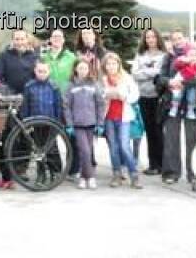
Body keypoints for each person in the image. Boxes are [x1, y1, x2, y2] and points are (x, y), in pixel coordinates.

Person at [157, 40, 196, 186]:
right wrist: (170, 82)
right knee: (171, 139)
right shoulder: (168, 58)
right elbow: (160, 78)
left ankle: (195, 173)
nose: (177, 41)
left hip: (191, 104)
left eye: (180, 38)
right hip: (173, 103)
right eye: (175, 38)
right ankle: (171, 172)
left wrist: (183, 83)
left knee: (194, 139)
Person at [101, 52, 142, 189]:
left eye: (114, 63)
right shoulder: (103, 79)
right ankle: (116, 173)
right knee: (113, 147)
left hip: (124, 117)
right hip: (109, 117)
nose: (111, 66)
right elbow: (99, 95)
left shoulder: (127, 78)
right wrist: (107, 94)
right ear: (105, 66)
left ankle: (133, 174)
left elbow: (135, 95)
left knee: (124, 146)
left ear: (119, 64)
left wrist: (123, 96)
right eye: (108, 64)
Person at [133, 28, 170, 176]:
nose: (150, 39)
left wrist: (145, 72)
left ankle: (163, 164)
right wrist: (152, 72)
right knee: (149, 131)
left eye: (153, 37)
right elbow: (135, 74)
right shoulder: (140, 55)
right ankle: (153, 165)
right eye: (147, 37)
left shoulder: (164, 56)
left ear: (157, 38)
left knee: (159, 130)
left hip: (158, 97)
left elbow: (161, 74)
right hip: (143, 97)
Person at [22, 61, 65, 183]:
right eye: (39, 71)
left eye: (44, 71)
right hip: (34, 124)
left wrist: (58, 123)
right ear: (35, 71)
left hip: (50, 123)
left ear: (49, 72)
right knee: (38, 150)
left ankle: (55, 172)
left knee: (51, 149)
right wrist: (25, 123)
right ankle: (41, 174)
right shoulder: (29, 86)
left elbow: (58, 106)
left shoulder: (54, 87)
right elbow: (25, 106)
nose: (42, 74)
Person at [64, 58, 104, 190]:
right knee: (85, 151)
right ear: (76, 69)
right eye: (80, 68)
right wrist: (69, 124)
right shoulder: (70, 85)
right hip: (77, 124)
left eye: (85, 68)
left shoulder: (94, 84)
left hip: (91, 124)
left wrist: (100, 123)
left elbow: (100, 104)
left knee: (87, 151)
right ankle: (90, 177)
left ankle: (83, 177)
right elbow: (66, 106)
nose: (82, 71)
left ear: (89, 70)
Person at [0, 29, 39, 94]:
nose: (20, 42)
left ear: (27, 40)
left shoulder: (34, 56)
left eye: (22, 39)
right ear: (12, 40)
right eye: (17, 39)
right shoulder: (4, 56)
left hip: (29, 95)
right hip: (9, 96)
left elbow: (37, 77)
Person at [41, 29, 76, 95]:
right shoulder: (44, 57)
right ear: (50, 39)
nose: (57, 39)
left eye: (59, 37)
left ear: (63, 40)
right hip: (49, 95)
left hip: (66, 96)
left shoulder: (71, 57)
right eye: (54, 37)